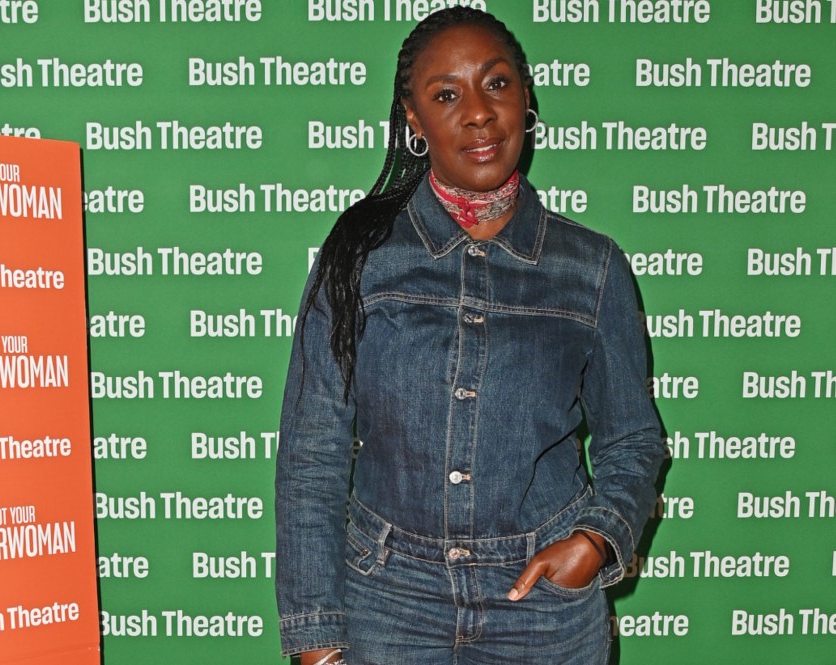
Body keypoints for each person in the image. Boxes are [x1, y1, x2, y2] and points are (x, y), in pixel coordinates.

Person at [275, 8, 663, 665]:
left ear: (526, 97)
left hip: (543, 612)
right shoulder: (359, 258)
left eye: (497, 84)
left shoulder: (591, 268)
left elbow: (633, 438)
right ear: (413, 120)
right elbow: (312, 456)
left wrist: (597, 539)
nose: (479, 113)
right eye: (447, 95)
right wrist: (315, 637)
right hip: (388, 606)